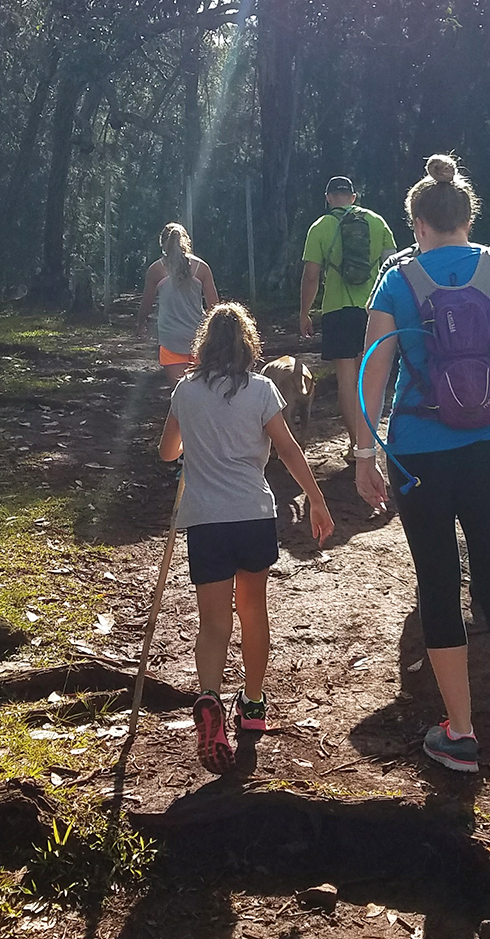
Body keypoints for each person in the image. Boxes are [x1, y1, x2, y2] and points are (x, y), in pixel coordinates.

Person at [353, 154, 490, 806]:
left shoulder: (397, 280)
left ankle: (461, 731)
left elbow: (374, 372)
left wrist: (368, 450)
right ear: (467, 217)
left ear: (417, 222)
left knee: (439, 585)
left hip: (421, 449)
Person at [159, 302, 334, 775]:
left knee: (213, 623)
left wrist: (194, 442)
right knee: (252, 612)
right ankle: (253, 706)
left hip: (205, 521)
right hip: (252, 516)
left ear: (204, 345)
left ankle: (210, 697)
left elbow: (166, 450)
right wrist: (316, 500)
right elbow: (288, 448)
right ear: (248, 347)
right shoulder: (261, 390)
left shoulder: (186, 391)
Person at [300, 177, 396, 448]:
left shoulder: (320, 226)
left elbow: (311, 275)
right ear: (353, 197)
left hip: (337, 309)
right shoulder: (377, 222)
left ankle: (357, 444)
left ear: (328, 197)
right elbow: (392, 267)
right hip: (375, 310)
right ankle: (371, 437)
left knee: (347, 379)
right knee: (372, 376)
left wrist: (304, 312)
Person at [137, 223, 219, 381]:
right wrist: (216, 333)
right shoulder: (201, 268)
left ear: (163, 244)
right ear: (186, 241)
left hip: (170, 338)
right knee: (203, 387)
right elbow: (214, 307)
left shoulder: (156, 269)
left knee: (179, 391)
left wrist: (141, 324)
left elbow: (146, 303)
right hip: (199, 338)